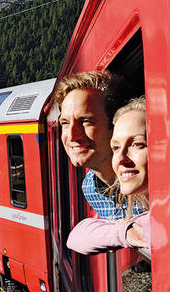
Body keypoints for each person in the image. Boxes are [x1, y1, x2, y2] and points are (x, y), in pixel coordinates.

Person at [67, 96, 150, 257]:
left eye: (137, 144)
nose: (120, 158)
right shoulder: (90, 186)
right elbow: (75, 238)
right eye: (116, 147)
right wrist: (125, 232)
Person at [54, 71, 130, 220]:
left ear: (115, 126)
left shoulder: (147, 182)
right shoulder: (90, 188)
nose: (71, 136)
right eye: (65, 123)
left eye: (86, 121)